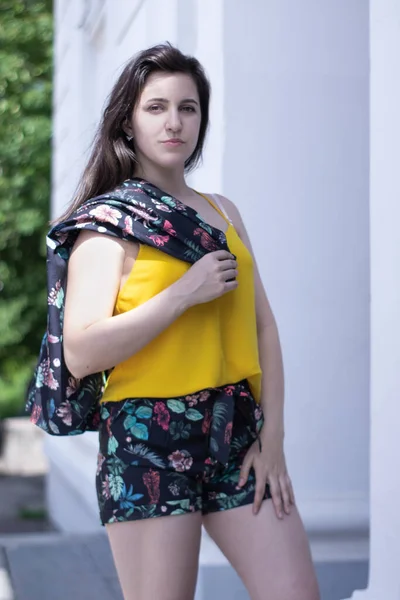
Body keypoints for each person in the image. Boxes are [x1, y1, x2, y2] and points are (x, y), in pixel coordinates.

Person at [60, 43, 320, 600]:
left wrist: (273, 437)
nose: (174, 122)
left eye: (188, 107)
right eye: (155, 107)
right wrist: (181, 294)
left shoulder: (224, 211)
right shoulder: (108, 225)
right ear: (127, 123)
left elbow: (264, 328)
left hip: (239, 433)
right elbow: (80, 353)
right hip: (146, 438)